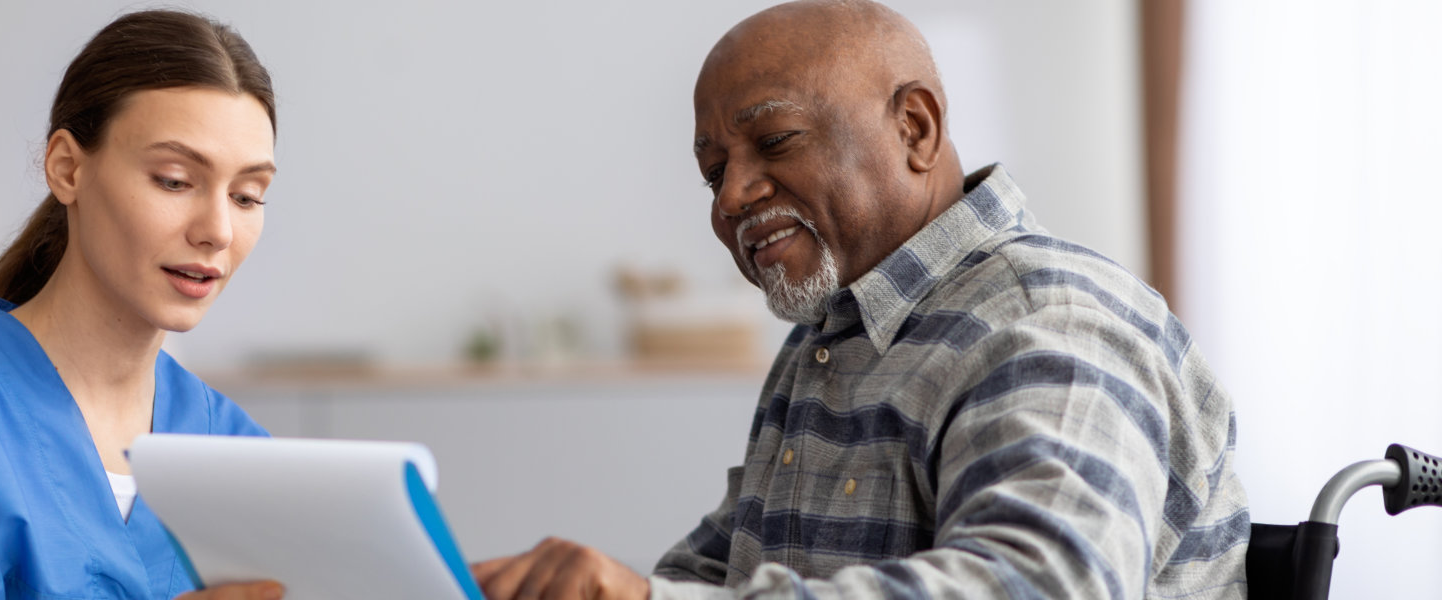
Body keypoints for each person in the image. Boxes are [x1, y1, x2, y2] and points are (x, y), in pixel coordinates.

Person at [470, 2, 1249, 599]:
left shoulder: (1053, 322)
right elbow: (716, 575)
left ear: (914, 126)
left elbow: (1036, 585)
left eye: (775, 142)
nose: (732, 196)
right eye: (714, 172)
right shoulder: (829, 340)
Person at [0, 9, 285, 600]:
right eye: (174, 180)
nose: (217, 230)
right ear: (67, 168)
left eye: (248, 196)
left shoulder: (238, 452)